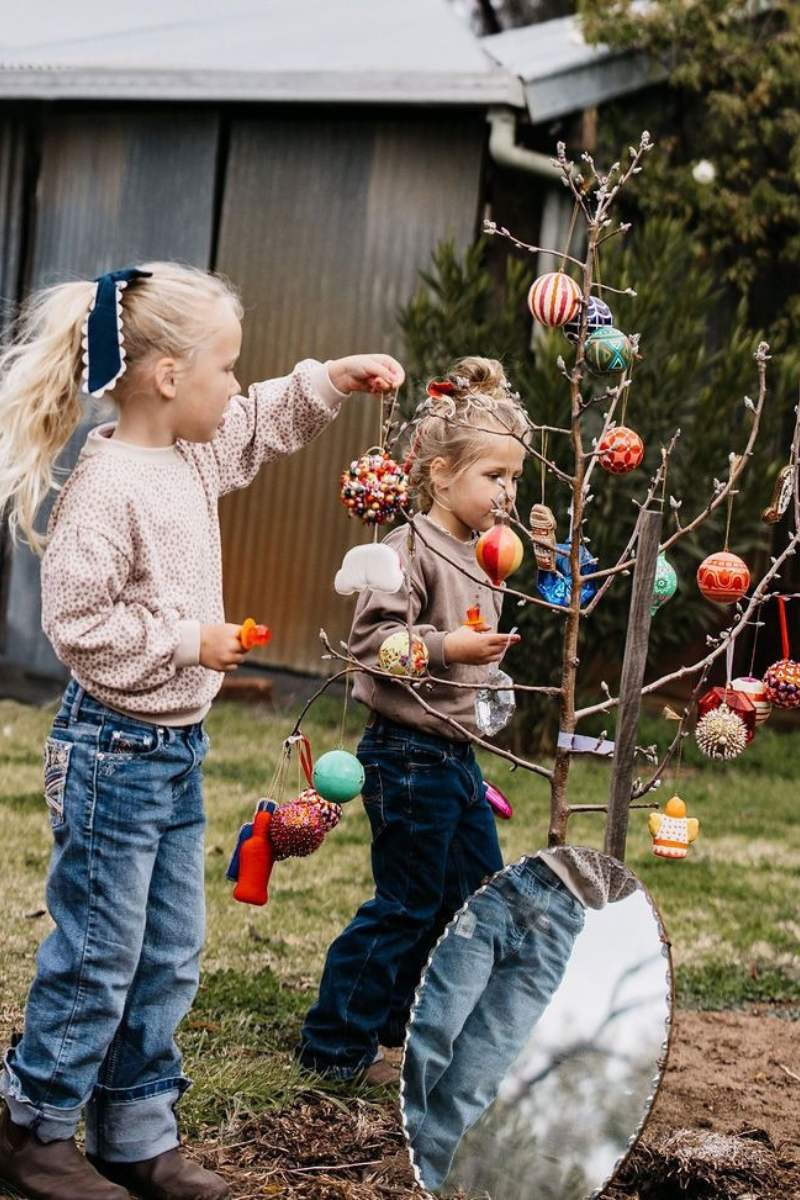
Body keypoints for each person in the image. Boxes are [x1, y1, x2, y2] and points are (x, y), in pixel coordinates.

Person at [0, 262, 403, 1200]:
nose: (237, 383)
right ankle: (32, 1127)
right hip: (111, 752)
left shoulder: (189, 454)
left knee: (169, 952)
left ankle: (136, 1131)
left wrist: (328, 379)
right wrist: (191, 640)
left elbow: (257, 423)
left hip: (174, 752)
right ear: (167, 376)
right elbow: (80, 627)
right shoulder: (107, 488)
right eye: (226, 366)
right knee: (101, 951)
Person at [297, 357, 527, 1084]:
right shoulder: (406, 551)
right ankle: (333, 1045)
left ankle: (394, 1021)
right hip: (405, 756)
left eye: (515, 478)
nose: (507, 492)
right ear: (440, 477)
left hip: (456, 762)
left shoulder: (488, 555)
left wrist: (543, 548)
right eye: (494, 477)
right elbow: (371, 644)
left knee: (473, 894)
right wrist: (448, 646)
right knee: (406, 902)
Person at [402, 846, 638, 1192]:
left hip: (562, 924)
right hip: (513, 888)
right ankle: (394, 1141)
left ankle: (416, 1181)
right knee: (435, 1027)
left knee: (477, 1075)